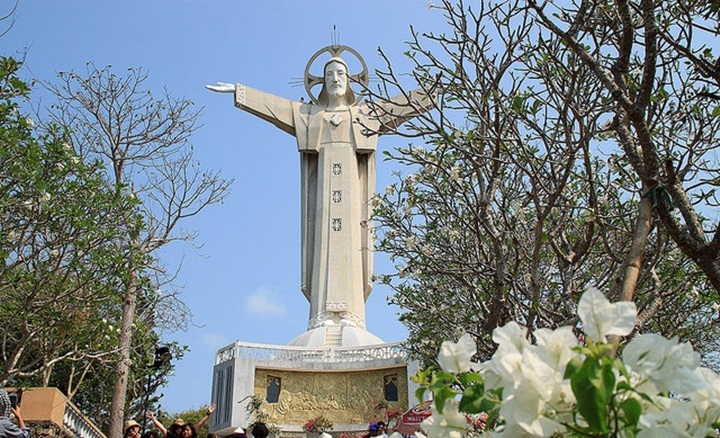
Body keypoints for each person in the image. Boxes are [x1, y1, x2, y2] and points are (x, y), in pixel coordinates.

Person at [207, 47, 432, 334]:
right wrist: (241, 92)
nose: (335, 79)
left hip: (352, 199)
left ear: (351, 80)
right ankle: (322, 315)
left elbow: (397, 106)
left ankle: (351, 315)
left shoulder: (363, 114)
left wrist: (433, 92)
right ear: (321, 82)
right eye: (329, 74)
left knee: (350, 245)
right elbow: (276, 107)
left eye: (341, 73)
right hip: (323, 195)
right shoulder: (310, 116)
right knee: (324, 245)